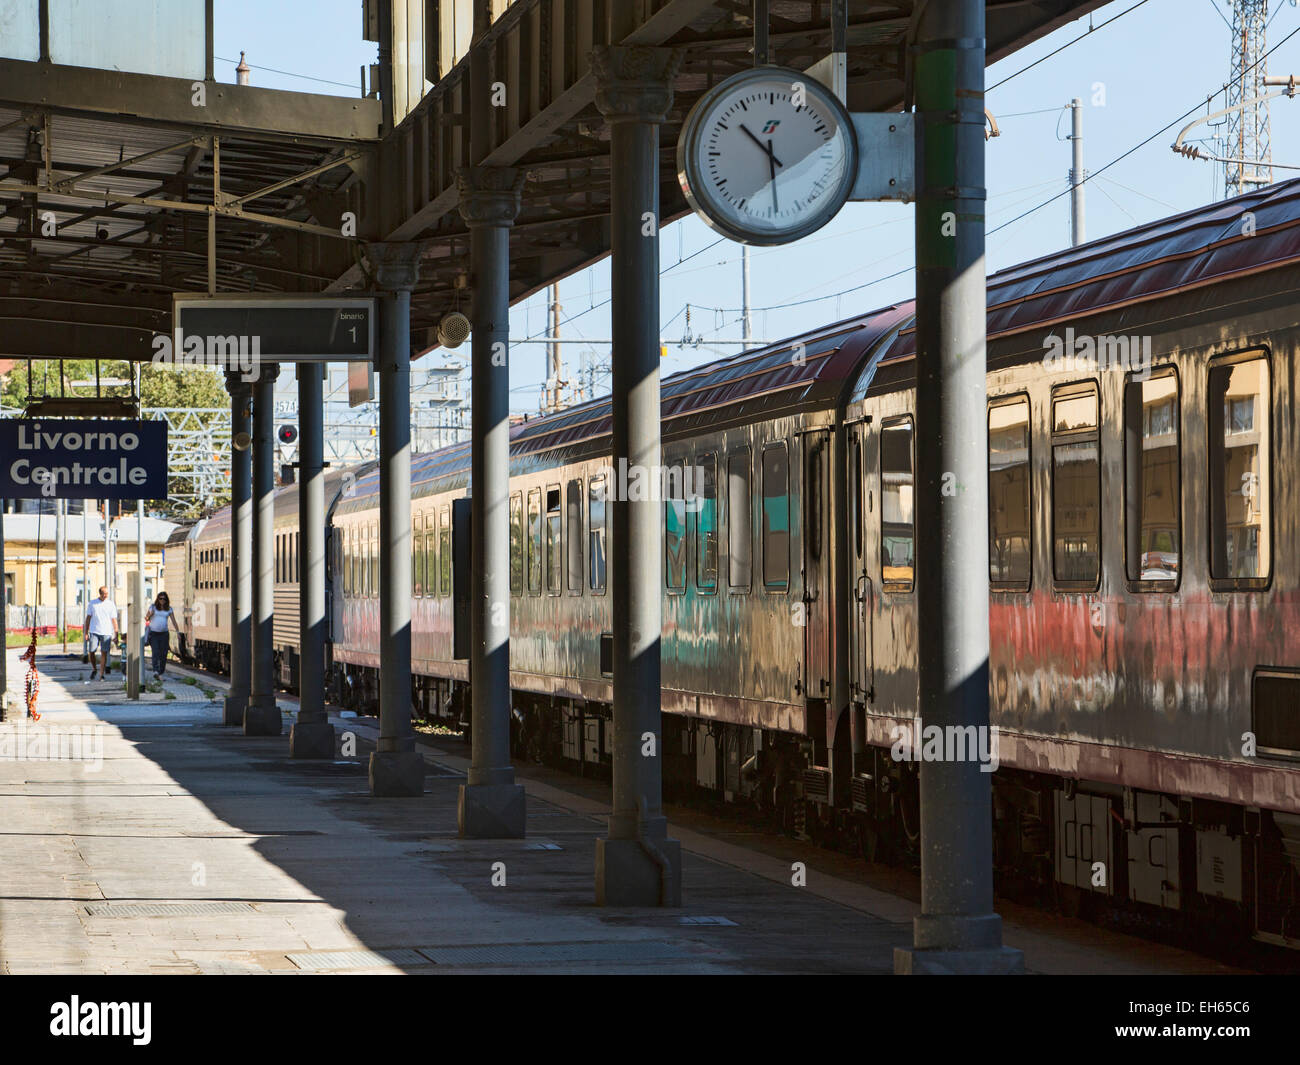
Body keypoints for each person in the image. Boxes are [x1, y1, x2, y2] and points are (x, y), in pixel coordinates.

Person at [84, 586, 119, 682]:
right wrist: (86, 632)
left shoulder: (110, 604)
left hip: (106, 631)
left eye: (107, 593)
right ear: (100, 593)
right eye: (104, 593)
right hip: (94, 631)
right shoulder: (93, 603)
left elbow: (114, 620)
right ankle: (94, 668)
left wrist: (116, 633)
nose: (105, 595)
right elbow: (88, 619)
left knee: (104, 653)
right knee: (91, 651)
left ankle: (101, 674)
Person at [145, 592, 179, 678]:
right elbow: (146, 618)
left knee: (163, 654)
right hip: (154, 634)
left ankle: (161, 671)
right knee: (155, 652)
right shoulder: (153, 607)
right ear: (158, 599)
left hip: (164, 634)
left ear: (166, 600)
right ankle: (155, 670)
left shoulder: (169, 609)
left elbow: (174, 621)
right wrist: (150, 614)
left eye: (164, 599)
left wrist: (177, 632)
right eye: (160, 598)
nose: (162, 600)